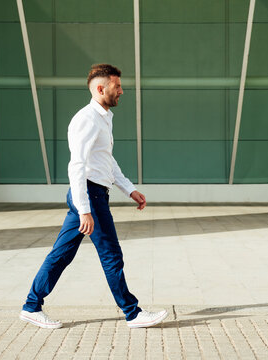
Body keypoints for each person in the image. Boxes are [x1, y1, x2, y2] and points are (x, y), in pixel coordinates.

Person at [19, 64, 167, 329]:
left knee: (61, 254)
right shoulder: (86, 119)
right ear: (101, 89)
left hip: (94, 194)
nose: (121, 91)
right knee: (111, 255)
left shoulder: (104, 118)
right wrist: (84, 208)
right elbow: (77, 166)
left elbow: (105, 162)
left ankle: (31, 306)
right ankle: (132, 313)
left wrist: (129, 189)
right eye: (117, 86)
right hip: (89, 196)